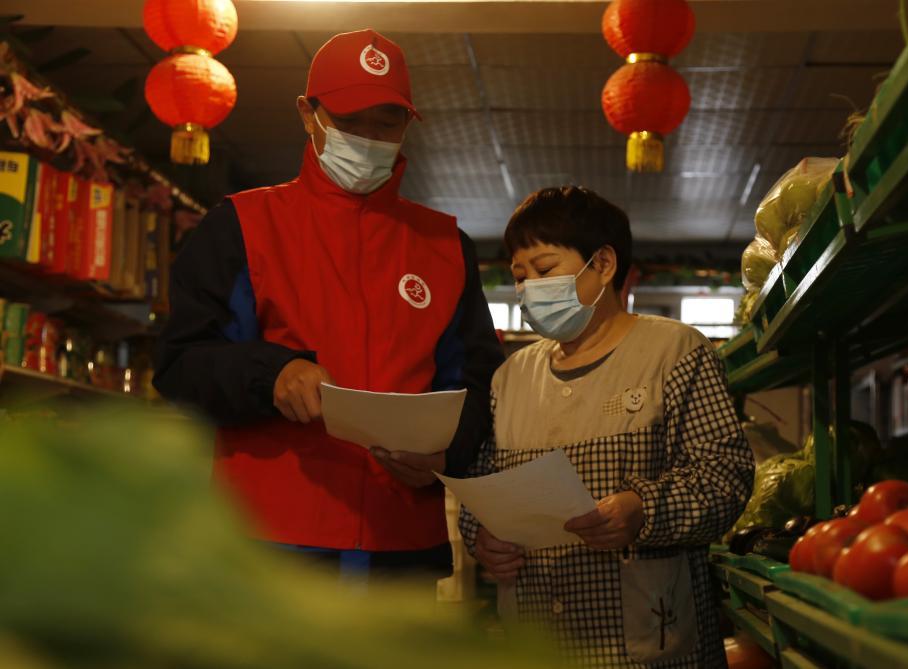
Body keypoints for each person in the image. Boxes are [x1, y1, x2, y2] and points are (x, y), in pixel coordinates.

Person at [154, 30, 504, 586]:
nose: (368, 138)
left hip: (401, 543)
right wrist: (273, 374)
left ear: (408, 124)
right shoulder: (240, 226)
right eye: (349, 121)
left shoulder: (445, 247)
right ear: (307, 114)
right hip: (266, 541)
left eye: (386, 123)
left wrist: (447, 453)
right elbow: (181, 364)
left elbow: (480, 385)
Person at [458, 187, 755, 668]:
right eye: (519, 277)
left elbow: (725, 478)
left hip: (648, 644)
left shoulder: (674, 352)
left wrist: (643, 509)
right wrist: (482, 538)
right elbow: (480, 486)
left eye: (544, 270)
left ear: (603, 264)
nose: (529, 289)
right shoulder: (510, 377)